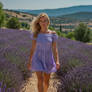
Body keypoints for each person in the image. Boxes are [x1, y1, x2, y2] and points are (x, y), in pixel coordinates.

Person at [27, 12, 60, 92]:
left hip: (48, 59)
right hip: (37, 59)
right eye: (41, 21)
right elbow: (33, 48)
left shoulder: (53, 34)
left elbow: (55, 49)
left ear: (48, 22)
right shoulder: (36, 34)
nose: (43, 23)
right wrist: (29, 61)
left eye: (45, 21)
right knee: (40, 79)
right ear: (38, 22)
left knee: (46, 81)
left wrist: (57, 61)